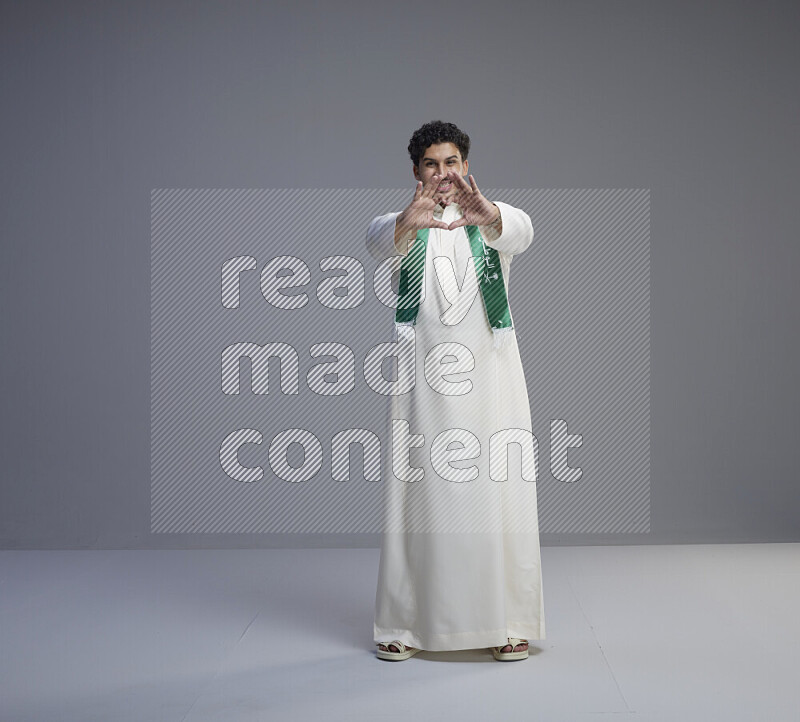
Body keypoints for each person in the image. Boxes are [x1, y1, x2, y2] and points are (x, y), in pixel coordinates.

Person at [365, 120, 545, 662]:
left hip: (491, 380)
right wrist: (405, 222)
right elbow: (374, 241)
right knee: (416, 498)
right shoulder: (404, 225)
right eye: (431, 165)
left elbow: (523, 232)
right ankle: (404, 625)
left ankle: (508, 622)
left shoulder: (491, 221)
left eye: (451, 163)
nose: (443, 174)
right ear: (416, 172)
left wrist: (488, 214)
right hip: (424, 381)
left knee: (499, 494)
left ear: (465, 166)